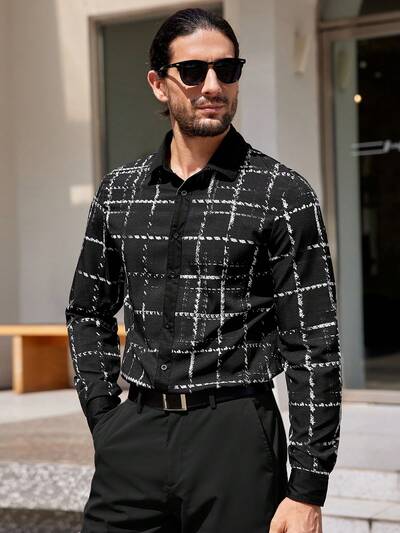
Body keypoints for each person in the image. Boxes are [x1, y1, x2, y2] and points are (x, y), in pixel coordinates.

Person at [65, 7, 342, 533]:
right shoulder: (119, 192)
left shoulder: (282, 195)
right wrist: (103, 414)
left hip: (235, 439)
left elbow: (315, 344)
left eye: (227, 70)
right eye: (192, 71)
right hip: (133, 436)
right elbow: (87, 309)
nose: (212, 86)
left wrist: (308, 487)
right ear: (158, 83)